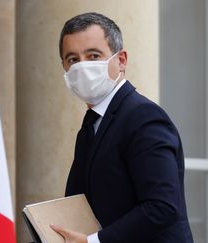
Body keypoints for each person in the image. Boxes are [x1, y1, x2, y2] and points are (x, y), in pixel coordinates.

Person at [50, 12, 194, 243]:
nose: (83, 67)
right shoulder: (92, 124)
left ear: (122, 60)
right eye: (73, 59)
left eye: (94, 55)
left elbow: (162, 207)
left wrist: (94, 241)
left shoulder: (143, 117)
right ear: (64, 68)